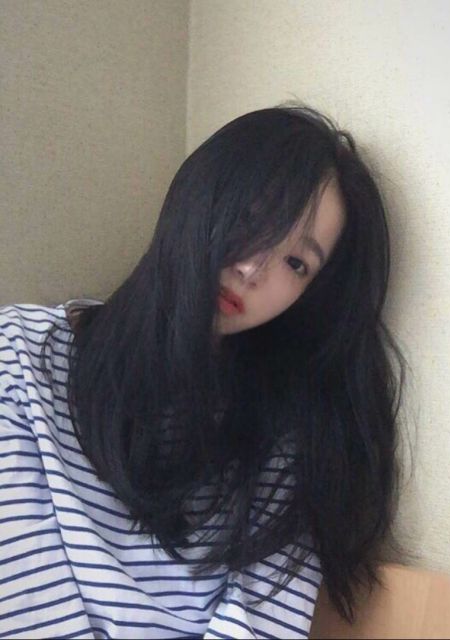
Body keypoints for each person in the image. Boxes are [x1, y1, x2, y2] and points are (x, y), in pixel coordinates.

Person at [0, 104, 409, 639]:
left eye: (296, 263)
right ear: (194, 197)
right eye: (251, 221)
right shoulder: (18, 358)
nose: (253, 269)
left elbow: (257, 626)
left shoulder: (289, 438)